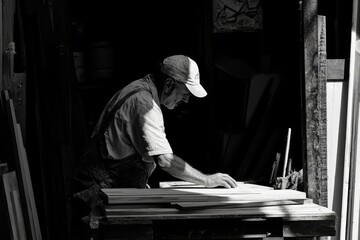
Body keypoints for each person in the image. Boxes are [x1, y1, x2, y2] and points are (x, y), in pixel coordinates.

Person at [71, 54, 237, 233]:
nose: (186, 100)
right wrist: (206, 179)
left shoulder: (138, 88)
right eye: (185, 93)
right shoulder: (145, 104)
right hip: (100, 195)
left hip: (107, 189)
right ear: (168, 85)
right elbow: (165, 160)